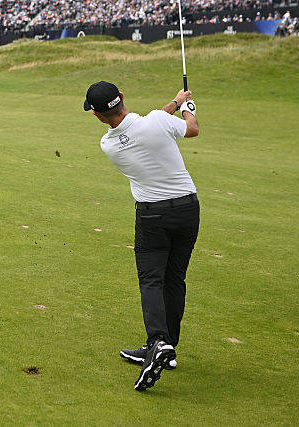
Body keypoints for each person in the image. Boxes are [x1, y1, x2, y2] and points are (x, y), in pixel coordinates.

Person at [84, 80, 200, 392]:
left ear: (96, 115)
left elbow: (148, 127)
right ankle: (167, 348)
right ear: (122, 97)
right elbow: (190, 130)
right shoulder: (158, 121)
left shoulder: (108, 145)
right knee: (175, 279)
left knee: (152, 279)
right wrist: (187, 109)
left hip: (152, 216)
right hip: (188, 209)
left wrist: (174, 103)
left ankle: (157, 343)